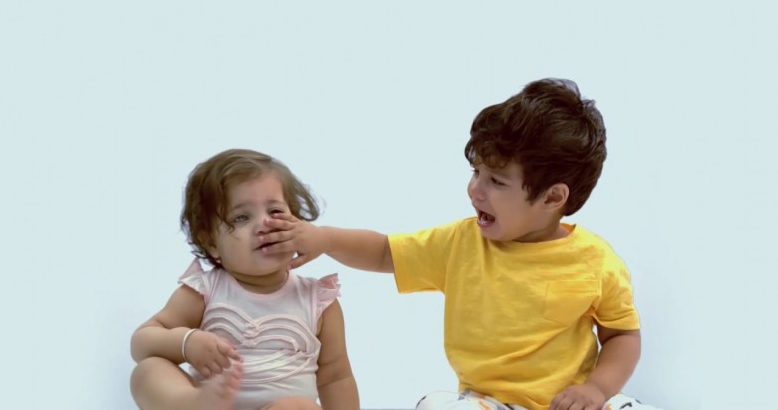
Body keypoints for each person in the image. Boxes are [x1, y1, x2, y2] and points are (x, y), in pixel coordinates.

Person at [257, 79, 661, 410]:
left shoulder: (596, 261)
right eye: (476, 172)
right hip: (488, 404)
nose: (475, 189)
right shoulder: (461, 244)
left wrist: (596, 389)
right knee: (438, 406)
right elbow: (384, 252)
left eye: (496, 181)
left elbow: (621, 336)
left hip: (570, 406)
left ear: (553, 198)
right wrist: (325, 239)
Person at [130, 149, 359, 410]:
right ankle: (192, 404)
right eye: (241, 217)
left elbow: (336, 377)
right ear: (211, 242)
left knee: (298, 407)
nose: (264, 224)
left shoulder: (319, 301)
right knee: (148, 370)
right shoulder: (205, 291)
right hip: (215, 404)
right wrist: (186, 342)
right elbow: (141, 343)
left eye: (275, 211)